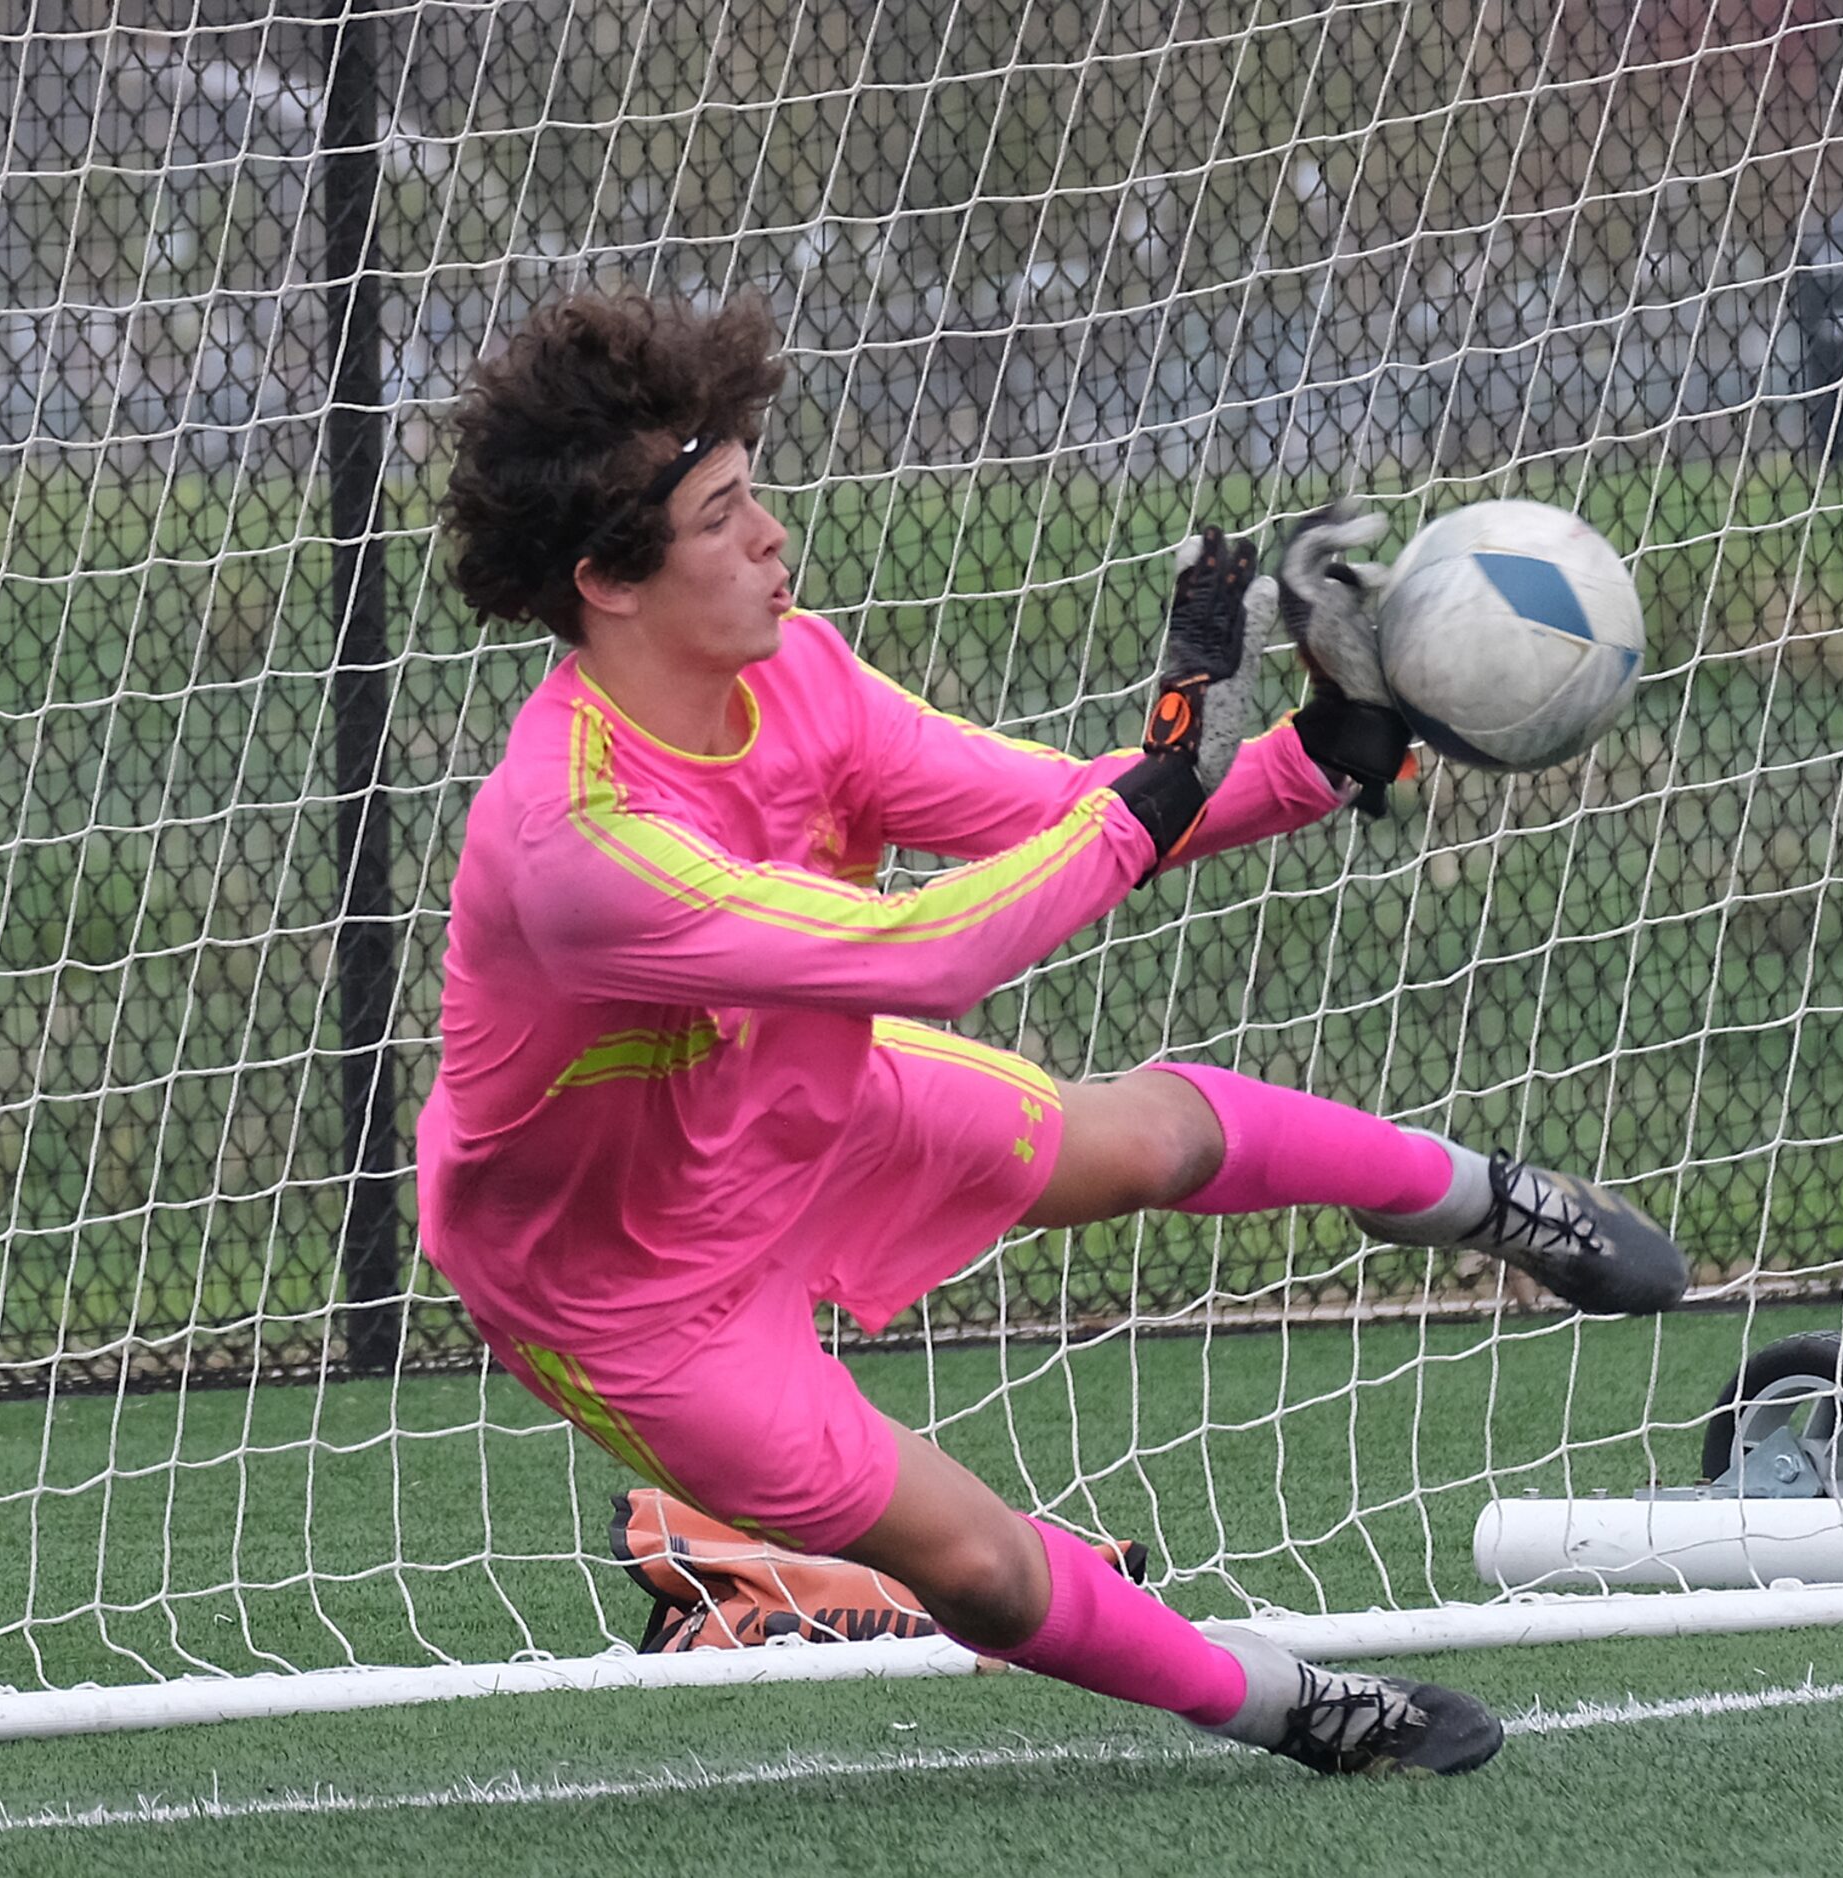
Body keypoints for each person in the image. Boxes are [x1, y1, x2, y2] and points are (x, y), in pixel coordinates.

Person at [419, 287, 1687, 1779]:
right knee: (981, 1570)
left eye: (753, 493)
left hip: (782, 1103)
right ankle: (1297, 1704)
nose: (771, 535)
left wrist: (1307, 757)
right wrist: (1163, 777)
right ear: (609, 582)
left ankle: (1491, 1203)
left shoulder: (802, 673)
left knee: (1151, 1132)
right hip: (626, 1293)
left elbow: (1049, 811)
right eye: (723, 515)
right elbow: (930, 946)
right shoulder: (579, 837)